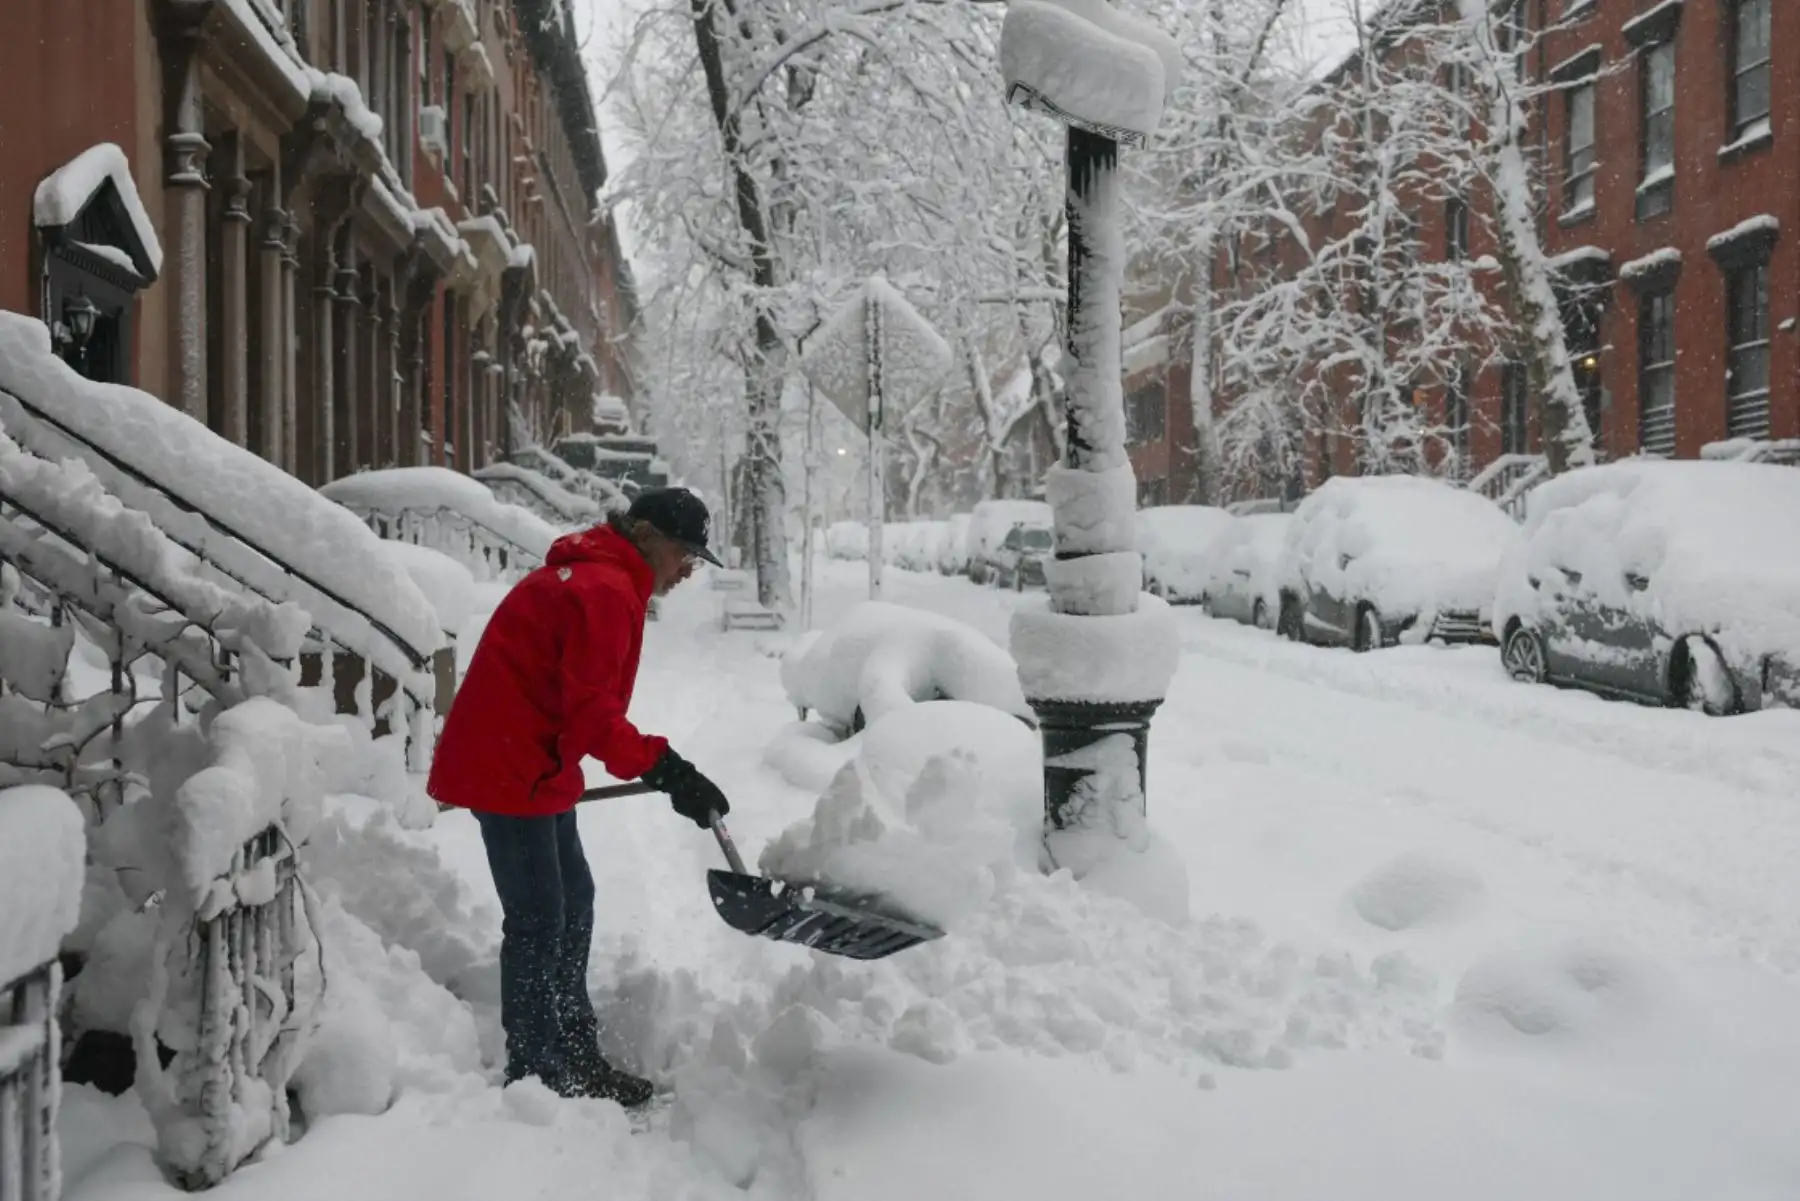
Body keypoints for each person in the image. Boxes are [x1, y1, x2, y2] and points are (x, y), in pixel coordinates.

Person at [426, 486, 732, 1107]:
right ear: (647, 537)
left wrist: (663, 767)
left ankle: (573, 1050)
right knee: (540, 916)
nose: (689, 568)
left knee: (573, 900)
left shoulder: (601, 581)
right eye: (684, 552)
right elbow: (593, 721)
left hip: (530, 762)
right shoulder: (601, 591)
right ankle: (537, 1073)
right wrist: (668, 768)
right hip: (509, 768)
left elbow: (581, 713)